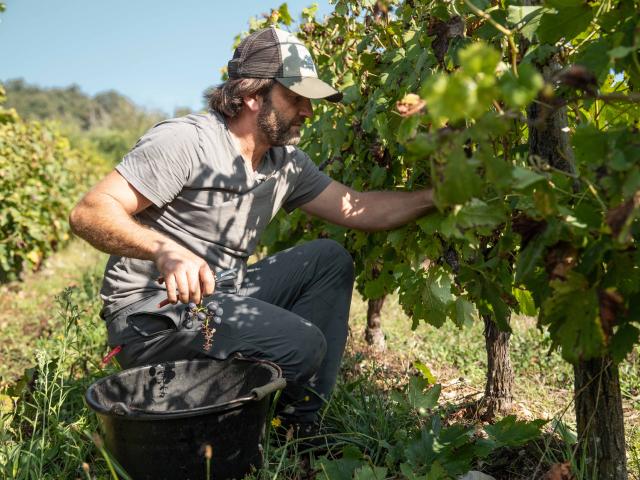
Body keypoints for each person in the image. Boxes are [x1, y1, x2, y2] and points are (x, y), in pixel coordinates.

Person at [69, 26, 433, 436]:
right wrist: (163, 250)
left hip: (219, 296)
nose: (308, 112)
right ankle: (214, 419)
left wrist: (438, 196)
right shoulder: (186, 142)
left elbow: (362, 208)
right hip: (152, 316)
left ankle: (299, 430)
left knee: (328, 260)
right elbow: (90, 211)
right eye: (295, 99)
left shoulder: (286, 164)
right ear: (252, 95)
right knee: (302, 345)